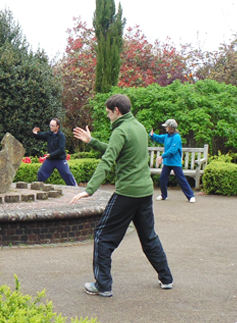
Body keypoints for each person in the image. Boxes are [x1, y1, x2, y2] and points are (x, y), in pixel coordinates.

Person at [70, 93, 173, 297]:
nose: (108, 117)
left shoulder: (120, 130)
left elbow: (108, 160)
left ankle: (103, 285)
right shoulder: (139, 127)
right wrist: (92, 141)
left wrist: (88, 189)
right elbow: (117, 152)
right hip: (144, 192)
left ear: (117, 111)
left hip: (127, 193)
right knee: (149, 237)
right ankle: (166, 278)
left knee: (102, 236)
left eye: (108, 113)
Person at [150, 119, 196, 203]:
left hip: (175, 162)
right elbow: (159, 138)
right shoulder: (167, 136)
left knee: (181, 179)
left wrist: (162, 156)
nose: (165, 128)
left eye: (166, 127)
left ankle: (191, 196)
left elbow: (173, 150)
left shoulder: (176, 137)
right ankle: (164, 195)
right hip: (167, 162)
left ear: (171, 128)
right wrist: (153, 135)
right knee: (162, 178)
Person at [32, 118, 77, 186]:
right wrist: (35, 133)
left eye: (53, 126)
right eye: (50, 125)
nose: (51, 127)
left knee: (67, 174)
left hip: (60, 160)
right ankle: (39, 186)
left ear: (57, 126)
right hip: (50, 160)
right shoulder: (49, 134)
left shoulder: (61, 136)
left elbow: (61, 149)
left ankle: (74, 188)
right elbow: (39, 136)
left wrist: (51, 154)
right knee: (41, 173)